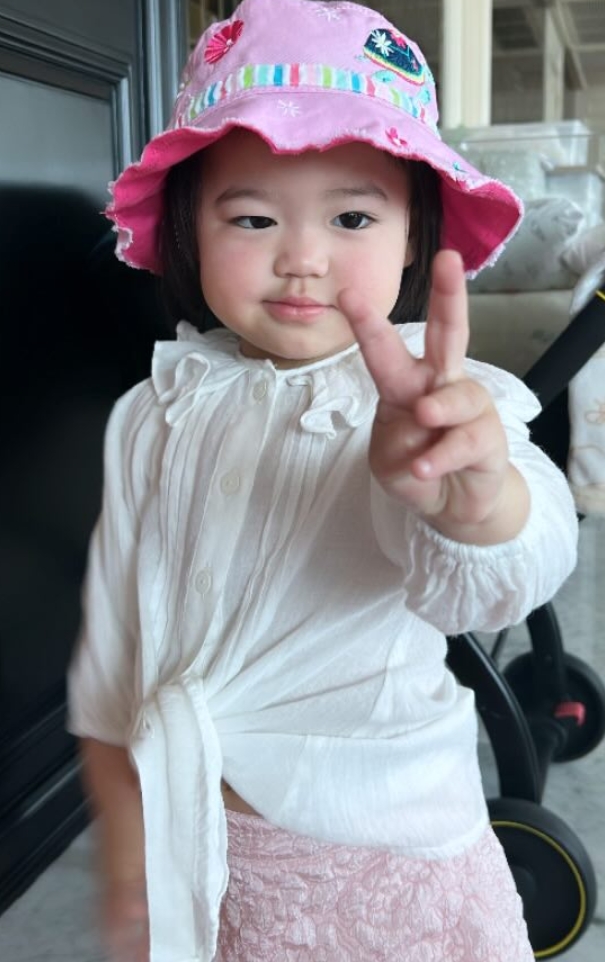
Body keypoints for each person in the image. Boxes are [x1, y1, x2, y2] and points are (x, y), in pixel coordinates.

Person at [67, 1, 578, 960]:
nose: (301, 258)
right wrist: (125, 836)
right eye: (252, 218)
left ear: (413, 232)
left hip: (390, 865)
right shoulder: (153, 410)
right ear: (188, 228)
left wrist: (472, 499)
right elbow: (115, 645)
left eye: (350, 217)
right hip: (204, 848)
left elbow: (503, 574)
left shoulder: (430, 399)